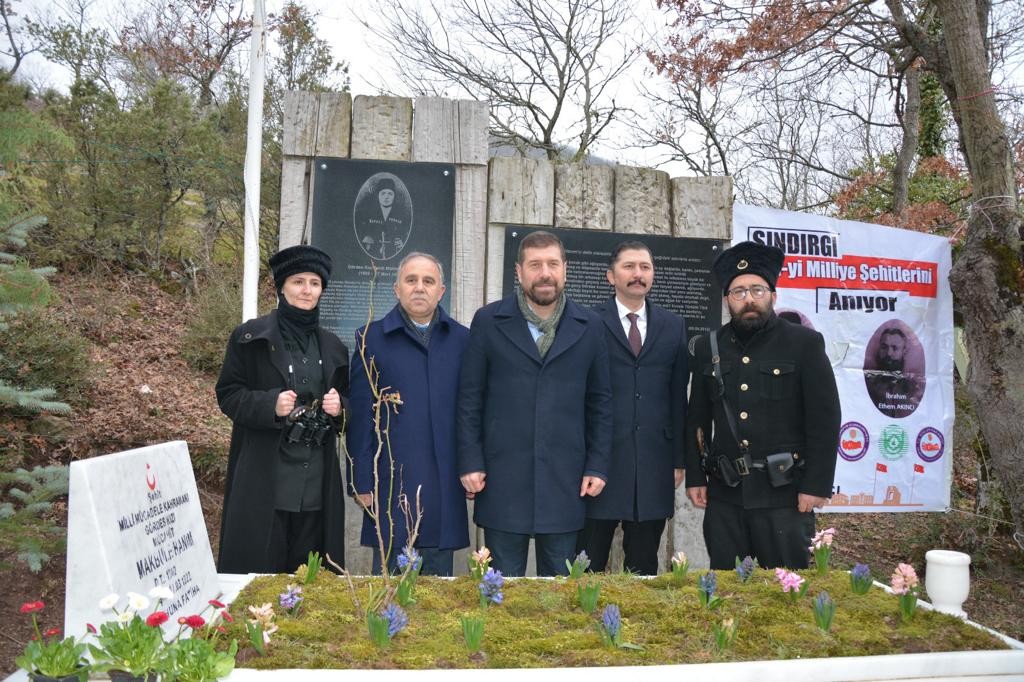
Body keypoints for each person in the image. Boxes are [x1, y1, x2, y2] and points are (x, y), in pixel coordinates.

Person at [457, 230, 613, 576]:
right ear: (519, 271)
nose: (545, 273)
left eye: (553, 264)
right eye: (535, 265)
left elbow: (600, 402)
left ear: (565, 269)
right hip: (502, 479)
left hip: (566, 481)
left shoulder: (590, 326)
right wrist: (470, 461)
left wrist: (597, 465)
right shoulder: (488, 321)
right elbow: (470, 398)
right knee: (502, 588)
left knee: (557, 592)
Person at [685, 241, 841, 570]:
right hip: (726, 496)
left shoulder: (803, 343)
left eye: (757, 289)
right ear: (727, 299)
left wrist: (816, 485)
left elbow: (824, 420)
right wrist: (696, 477)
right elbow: (697, 418)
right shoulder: (709, 347)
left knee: (786, 590)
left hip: (785, 496)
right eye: (739, 292)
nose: (749, 299)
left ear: (773, 295)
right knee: (726, 587)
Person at [216, 244, 349, 574]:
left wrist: (340, 408)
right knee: (260, 574)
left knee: (311, 580)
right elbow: (228, 394)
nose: (307, 290)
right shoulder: (249, 337)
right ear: (282, 287)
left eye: (314, 283)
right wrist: (269, 404)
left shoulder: (334, 347)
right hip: (265, 480)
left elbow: (350, 404)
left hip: (316, 483)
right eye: (298, 282)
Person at [347, 252, 470, 575]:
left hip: (443, 483)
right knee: (391, 586)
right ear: (396, 288)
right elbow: (360, 415)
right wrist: (361, 480)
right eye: (411, 280)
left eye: (428, 281)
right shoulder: (370, 339)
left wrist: (473, 466)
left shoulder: (463, 340)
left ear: (441, 291)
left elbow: (471, 411)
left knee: (438, 593)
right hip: (391, 484)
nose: (419, 287)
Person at [577, 241, 688, 575]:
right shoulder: (587, 322)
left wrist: (679, 459)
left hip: (653, 466)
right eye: (629, 266)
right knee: (586, 566)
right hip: (599, 464)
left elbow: (677, 396)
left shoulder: (673, 325)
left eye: (645, 267)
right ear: (611, 276)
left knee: (643, 568)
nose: (638, 274)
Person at [864, 326, 924, 418]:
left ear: (904, 351)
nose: (889, 353)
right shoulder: (866, 384)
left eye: (895, 348)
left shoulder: (915, 388)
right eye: (884, 347)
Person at [355, 176, 410, 260]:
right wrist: (365, 240)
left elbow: (406, 234)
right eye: (383, 193)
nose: (386, 197)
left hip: (394, 256)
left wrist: (402, 242)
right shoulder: (367, 214)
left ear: (394, 196)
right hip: (371, 255)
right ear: (378, 195)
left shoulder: (402, 214)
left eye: (390, 194)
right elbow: (359, 233)